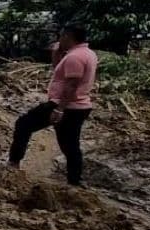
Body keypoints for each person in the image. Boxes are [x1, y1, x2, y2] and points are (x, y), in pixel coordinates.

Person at [8, 23, 98, 186]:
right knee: (70, 145)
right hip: (78, 106)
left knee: (23, 125)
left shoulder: (75, 57)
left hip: (67, 106)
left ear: (68, 37)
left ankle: (13, 164)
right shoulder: (86, 53)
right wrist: (56, 54)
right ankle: (75, 181)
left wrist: (59, 109)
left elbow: (71, 85)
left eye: (62, 36)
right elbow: (60, 71)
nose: (59, 39)